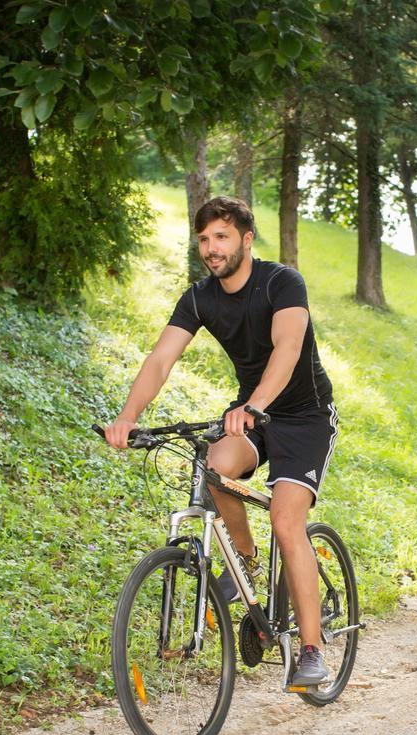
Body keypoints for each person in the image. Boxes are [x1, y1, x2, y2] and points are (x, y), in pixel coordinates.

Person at [104, 196, 338, 686]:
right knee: (211, 469)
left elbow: (288, 348)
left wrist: (254, 405)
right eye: (205, 238)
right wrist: (128, 417)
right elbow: (161, 360)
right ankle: (247, 560)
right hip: (251, 414)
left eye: (222, 237)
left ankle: (312, 650)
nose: (211, 248)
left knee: (285, 517)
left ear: (246, 239)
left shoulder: (282, 282)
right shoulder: (199, 297)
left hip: (304, 416)